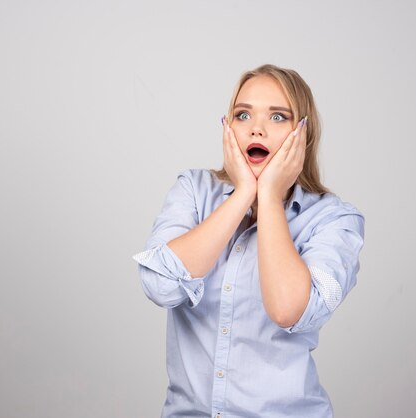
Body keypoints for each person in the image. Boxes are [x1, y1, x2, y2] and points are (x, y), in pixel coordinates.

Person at [132, 64, 365, 418]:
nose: (256, 128)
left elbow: (290, 310)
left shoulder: (335, 220)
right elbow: (160, 286)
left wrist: (269, 197)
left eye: (277, 117)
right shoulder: (193, 191)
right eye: (243, 115)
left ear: (303, 133)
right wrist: (243, 193)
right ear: (228, 127)